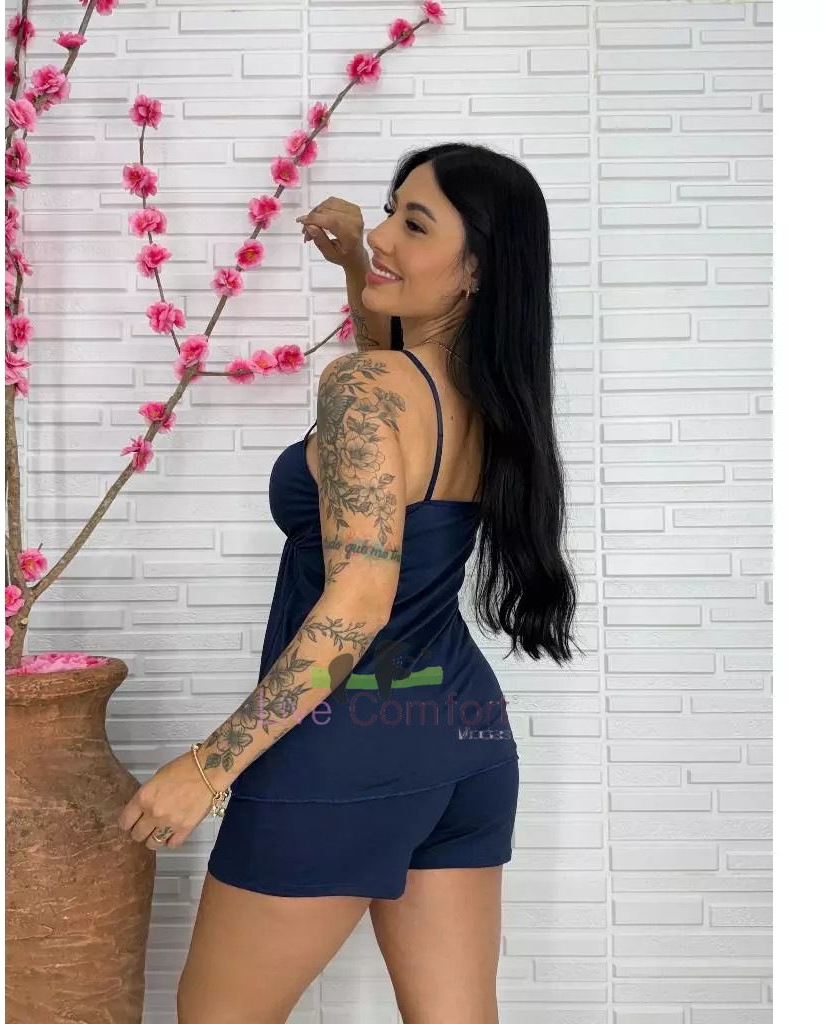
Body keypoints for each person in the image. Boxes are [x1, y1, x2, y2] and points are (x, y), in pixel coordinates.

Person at [120, 142, 581, 1024]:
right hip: (464, 741)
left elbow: (359, 604)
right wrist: (353, 271)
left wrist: (207, 768)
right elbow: (397, 405)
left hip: (341, 750)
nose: (381, 236)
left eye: (415, 225)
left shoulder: (364, 386)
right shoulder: (486, 392)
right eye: (390, 210)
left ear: (475, 270)